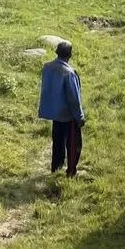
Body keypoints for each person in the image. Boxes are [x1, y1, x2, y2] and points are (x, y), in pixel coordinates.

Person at [37, 41, 86, 177]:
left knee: (57, 143)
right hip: (68, 115)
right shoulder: (69, 73)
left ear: (56, 52)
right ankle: (71, 171)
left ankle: (56, 169)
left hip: (54, 113)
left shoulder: (47, 67)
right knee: (73, 145)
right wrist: (80, 117)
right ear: (70, 54)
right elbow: (74, 99)